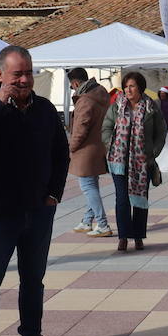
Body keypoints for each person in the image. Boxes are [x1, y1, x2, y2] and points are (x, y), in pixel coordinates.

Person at [0, 46, 69, 336]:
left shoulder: (44, 109)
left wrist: (54, 193)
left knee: (33, 279)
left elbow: (61, 154)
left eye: (28, 72)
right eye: (17, 74)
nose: (25, 80)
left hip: (38, 211)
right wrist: (0, 103)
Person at [102, 71, 166, 252]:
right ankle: (123, 237)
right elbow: (106, 126)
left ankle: (138, 236)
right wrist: (109, 144)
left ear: (140, 88)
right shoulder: (116, 106)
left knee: (139, 199)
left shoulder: (151, 107)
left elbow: (160, 132)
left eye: (132, 86)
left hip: (141, 163)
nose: (128, 90)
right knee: (122, 199)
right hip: (119, 161)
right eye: (126, 86)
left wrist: (152, 153)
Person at [67, 67, 113, 238]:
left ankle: (102, 224)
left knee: (87, 186)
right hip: (99, 146)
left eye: (72, 86)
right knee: (91, 185)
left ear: (76, 83)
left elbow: (81, 127)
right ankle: (87, 220)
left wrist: (71, 146)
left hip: (86, 150)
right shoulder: (101, 92)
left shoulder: (85, 100)